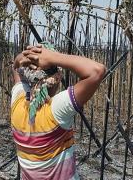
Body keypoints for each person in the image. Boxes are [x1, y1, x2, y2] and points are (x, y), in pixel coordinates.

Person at [10, 42, 106, 180]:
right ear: (57, 78)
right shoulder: (55, 111)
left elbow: (16, 68)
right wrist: (53, 57)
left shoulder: (17, 104)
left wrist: (21, 58)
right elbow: (97, 71)